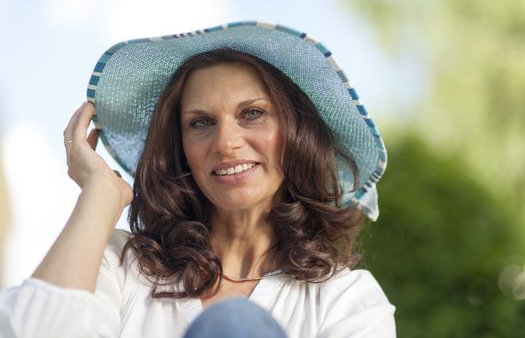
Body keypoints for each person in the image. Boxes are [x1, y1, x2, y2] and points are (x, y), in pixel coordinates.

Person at [0, 21, 395, 337]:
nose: (225, 143)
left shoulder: (346, 299)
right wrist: (99, 197)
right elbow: (31, 331)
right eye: (201, 123)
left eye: (252, 114)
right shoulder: (122, 267)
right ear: (180, 147)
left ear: (297, 134)